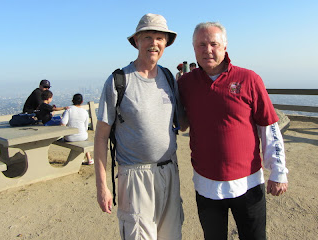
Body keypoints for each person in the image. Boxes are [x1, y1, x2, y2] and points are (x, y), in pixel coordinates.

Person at [178, 22, 288, 240]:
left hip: (248, 184)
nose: (207, 50)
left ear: (225, 46)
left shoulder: (249, 79)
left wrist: (278, 171)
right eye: (201, 44)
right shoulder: (185, 84)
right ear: (193, 48)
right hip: (206, 185)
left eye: (213, 44)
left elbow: (268, 126)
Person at [94, 13, 183, 240]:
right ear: (136, 41)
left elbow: (182, 122)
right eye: (147, 37)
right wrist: (102, 186)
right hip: (134, 176)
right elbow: (101, 136)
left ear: (166, 43)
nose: (154, 43)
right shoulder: (118, 81)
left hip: (169, 171)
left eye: (160, 38)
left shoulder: (168, 77)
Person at [60, 93, 94, 165]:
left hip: (70, 137)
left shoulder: (69, 110)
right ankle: (89, 158)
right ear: (82, 101)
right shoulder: (84, 112)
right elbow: (85, 127)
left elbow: (63, 123)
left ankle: (83, 159)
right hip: (83, 136)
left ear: (72, 100)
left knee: (72, 139)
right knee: (84, 139)